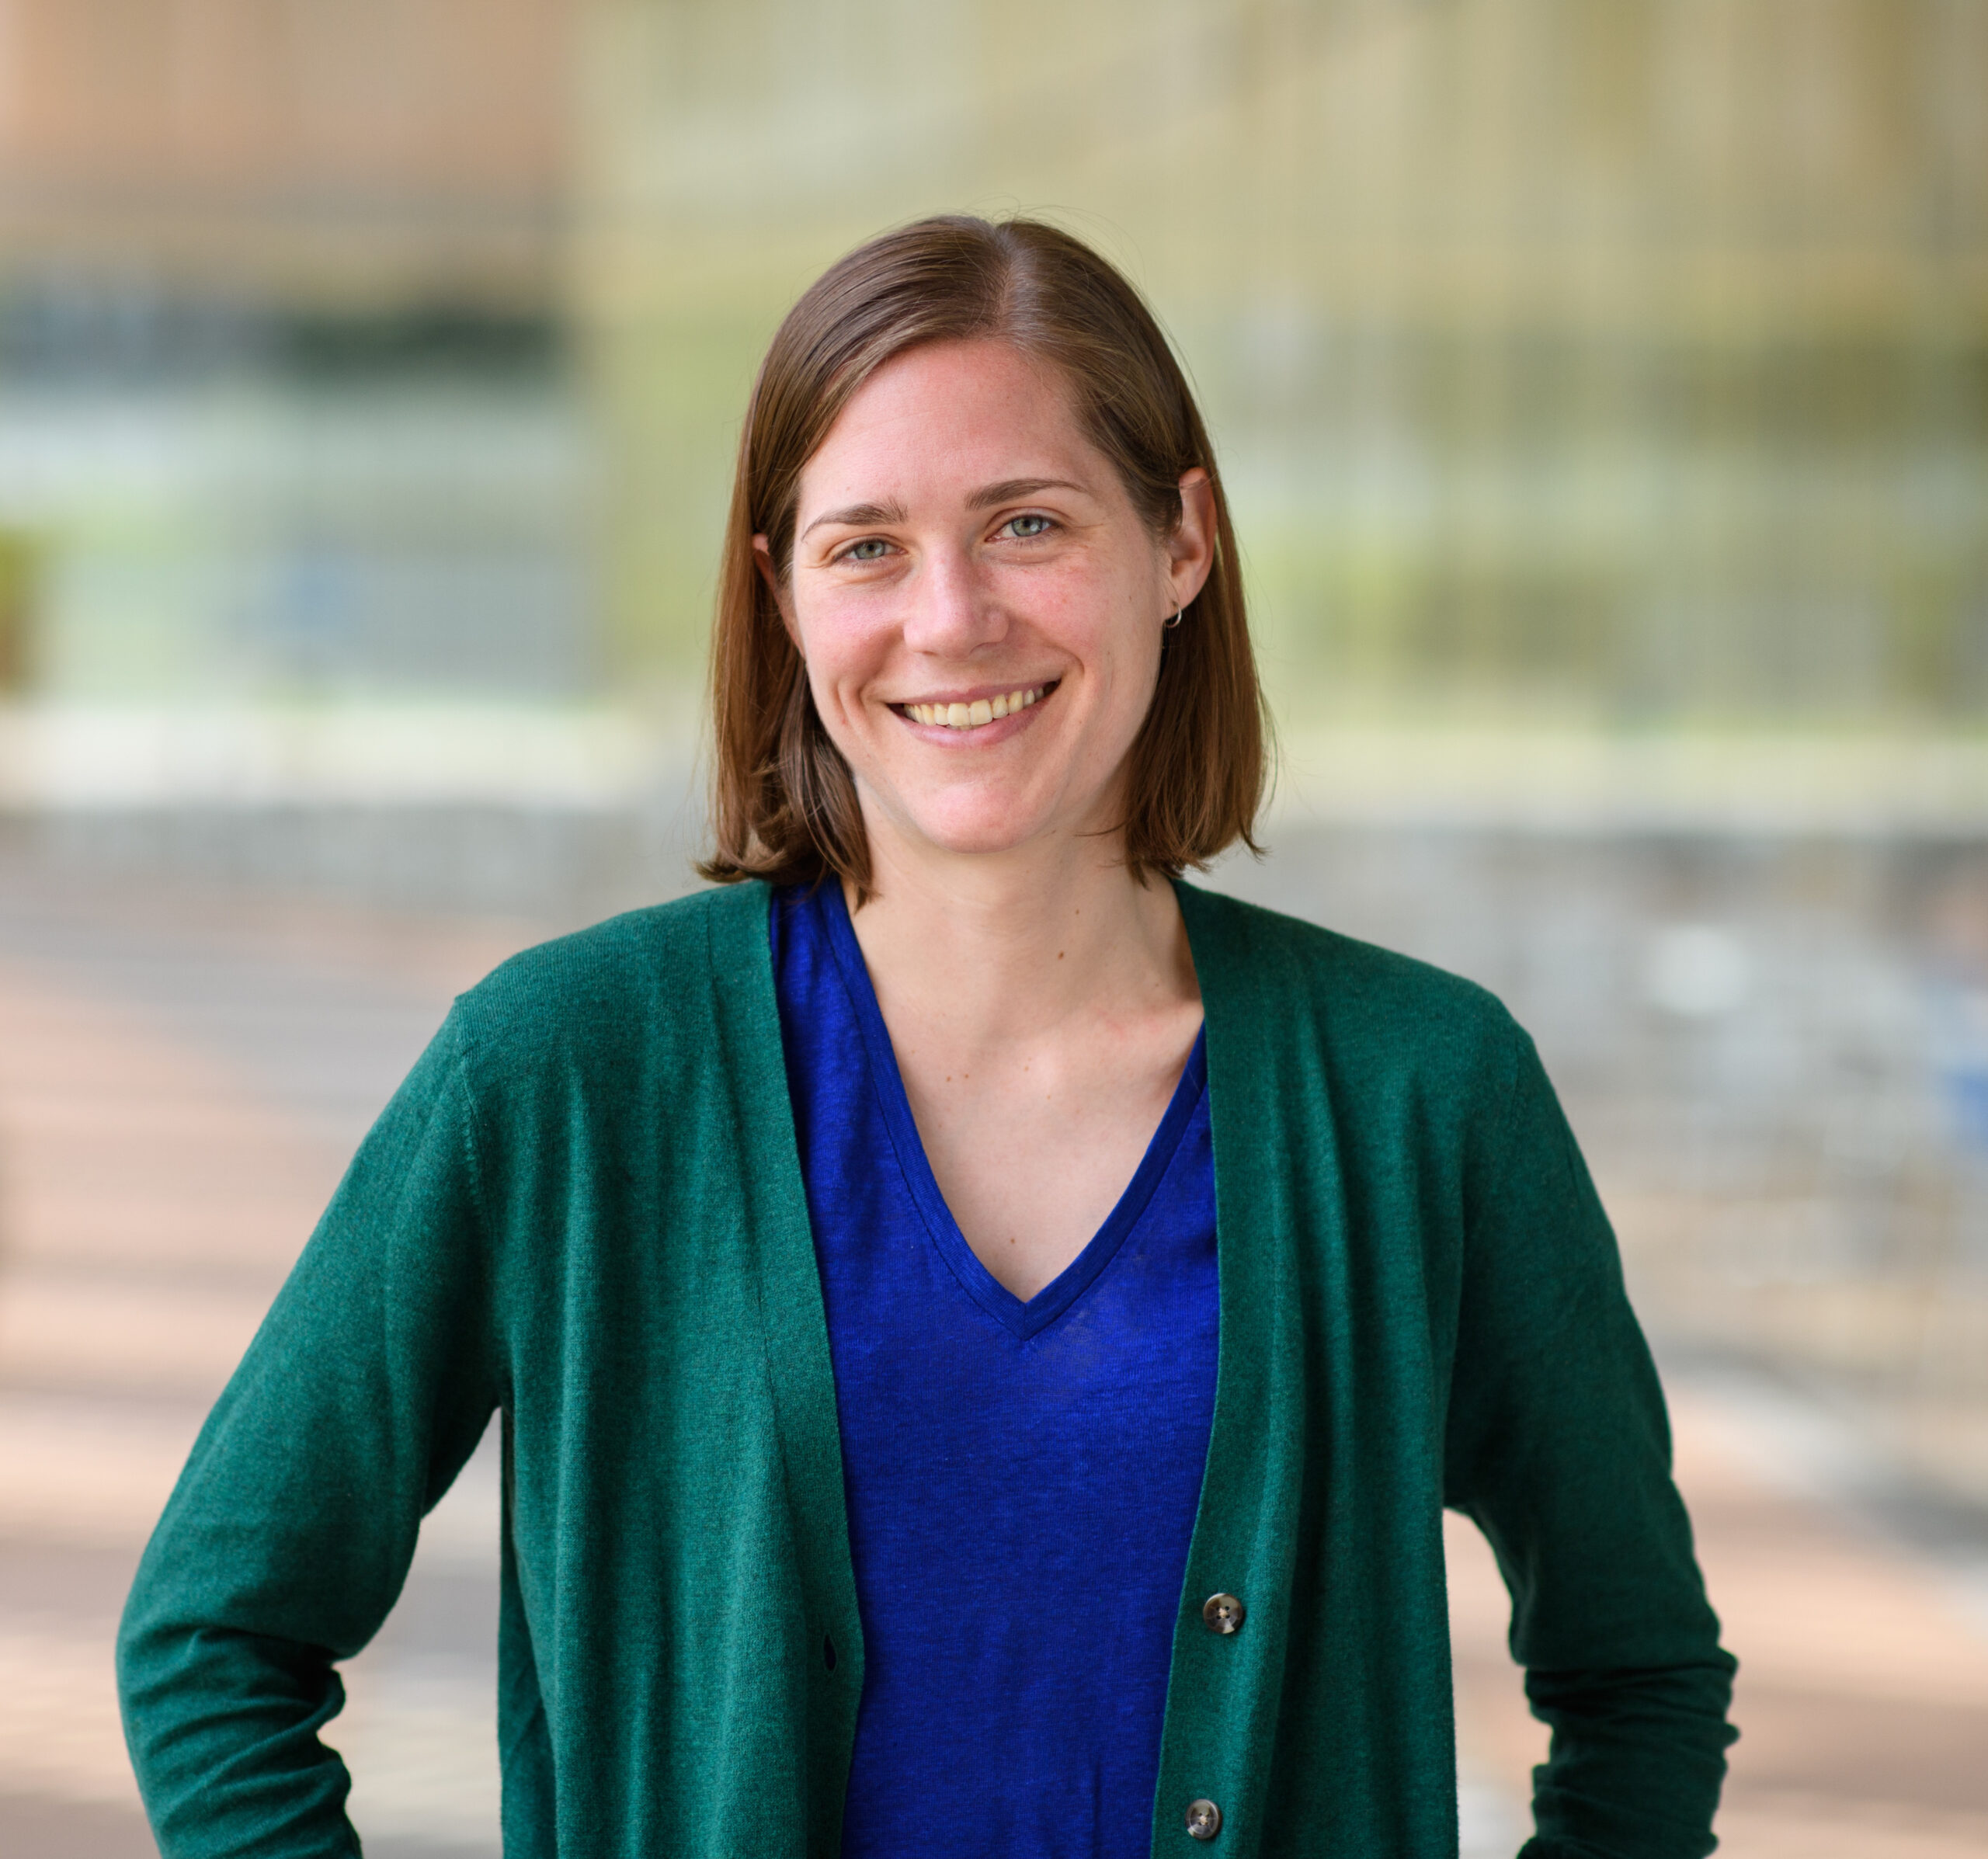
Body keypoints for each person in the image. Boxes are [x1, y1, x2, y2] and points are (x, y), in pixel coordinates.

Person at [118, 216, 1735, 1859]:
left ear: (1182, 543)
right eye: (865, 546)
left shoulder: (1417, 1097)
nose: (950, 621)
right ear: (781, 594)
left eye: (1025, 523)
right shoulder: (563, 1072)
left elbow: (1638, 1680)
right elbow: (215, 1639)